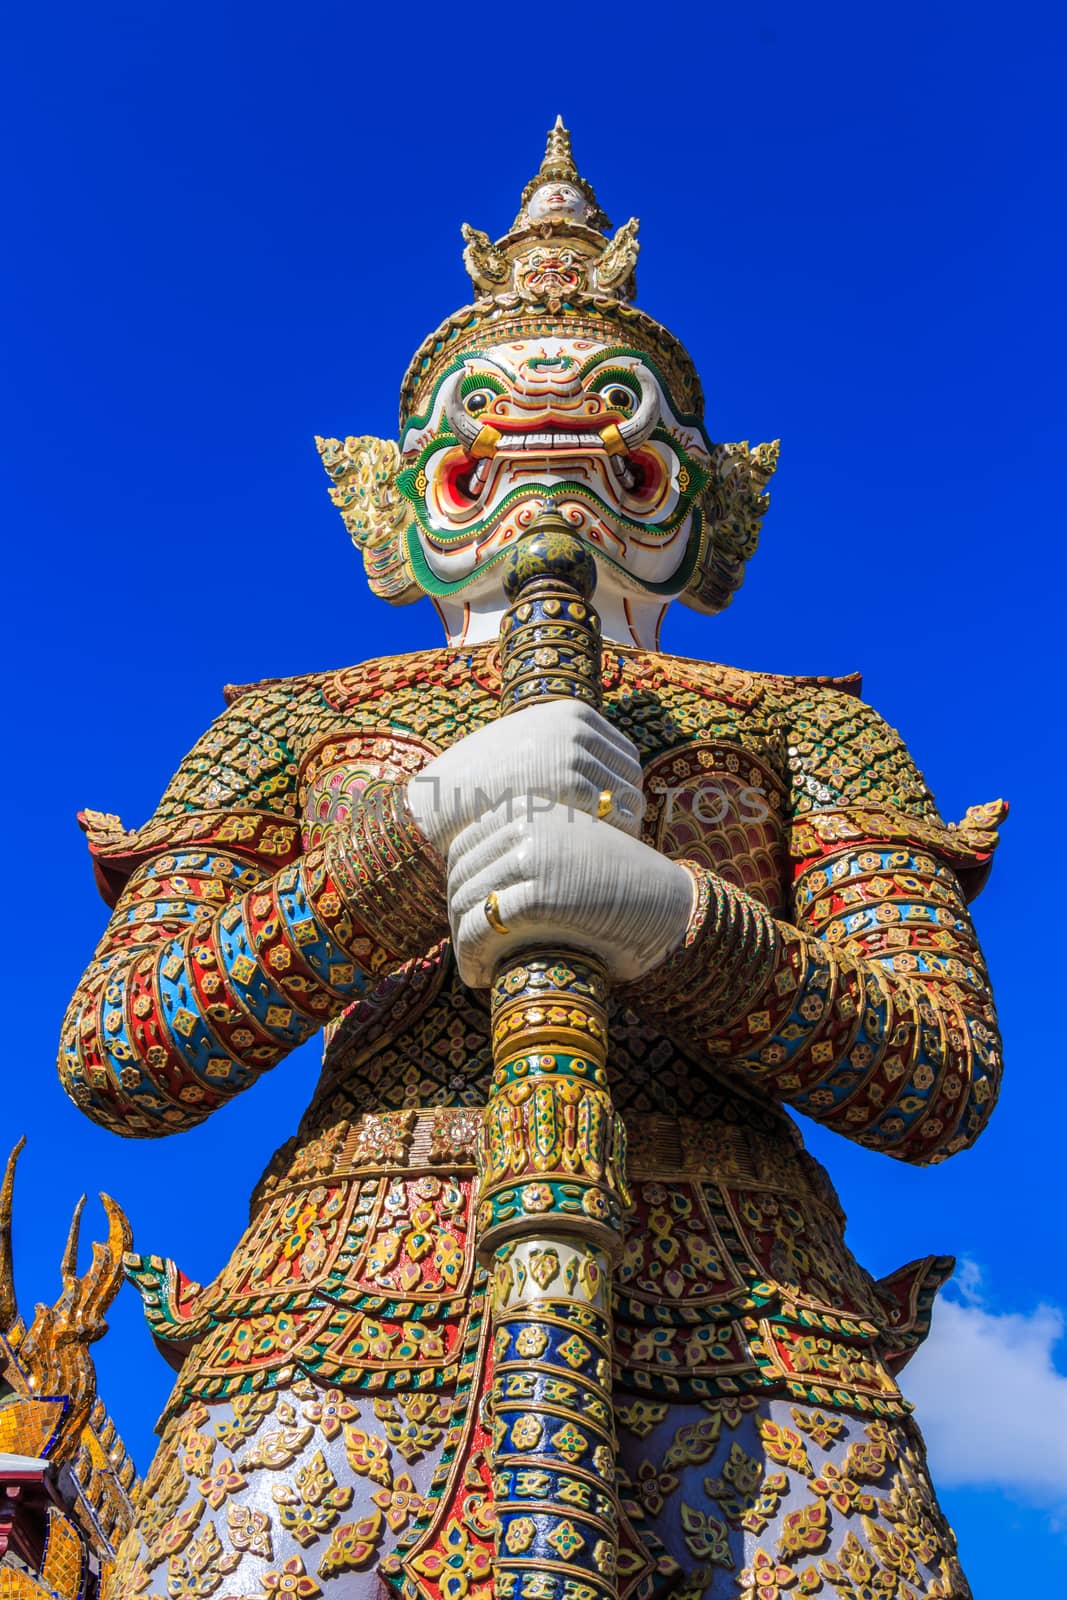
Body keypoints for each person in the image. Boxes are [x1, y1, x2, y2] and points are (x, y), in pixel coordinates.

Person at [62, 121, 1003, 1600]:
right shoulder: (297, 726)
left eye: (610, 418)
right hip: (338, 1305)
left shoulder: (811, 731)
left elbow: (939, 1074)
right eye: (489, 419)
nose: (550, 447)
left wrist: (674, 921)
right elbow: (125, 1052)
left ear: (700, 494)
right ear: (404, 492)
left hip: (747, 1312)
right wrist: (413, 840)